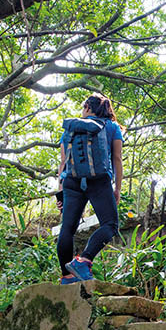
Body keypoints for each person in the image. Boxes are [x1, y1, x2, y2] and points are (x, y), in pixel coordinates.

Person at [57, 93, 123, 283]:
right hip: (99, 181)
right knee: (110, 225)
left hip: (71, 181)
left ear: (87, 107)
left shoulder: (70, 128)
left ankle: (67, 276)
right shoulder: (111, 126)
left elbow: (63, 162)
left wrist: (60, 193)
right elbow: (116, 158)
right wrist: (117, 188)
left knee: (67, 229)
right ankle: (84, 259)